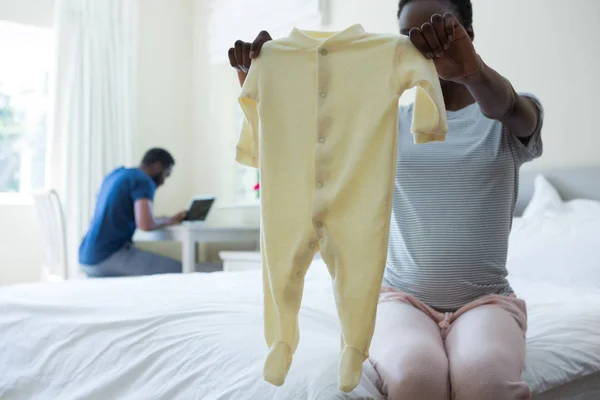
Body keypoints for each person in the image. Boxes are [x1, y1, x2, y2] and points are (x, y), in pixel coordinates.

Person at [228, 0, 543, 398]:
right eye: (409, 38)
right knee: (415, 378)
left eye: (435, 32)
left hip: (485, 301)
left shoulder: (501, 122)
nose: (423, 47)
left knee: (485, 380)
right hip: (401, 299)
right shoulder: (385, 125)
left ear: (467, 35)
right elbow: (309, 144)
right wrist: (266, 83)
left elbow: (517, 110)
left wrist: (472, 72)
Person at [79, 148, 187, 277]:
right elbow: (145, 224)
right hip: (107, 256)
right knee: (184, 270)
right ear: (158, 167)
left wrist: (159, 220)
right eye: (166, 175)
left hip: (85, 256)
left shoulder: (116, 175)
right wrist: (169, 220)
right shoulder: (143, 181)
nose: (163, 182)